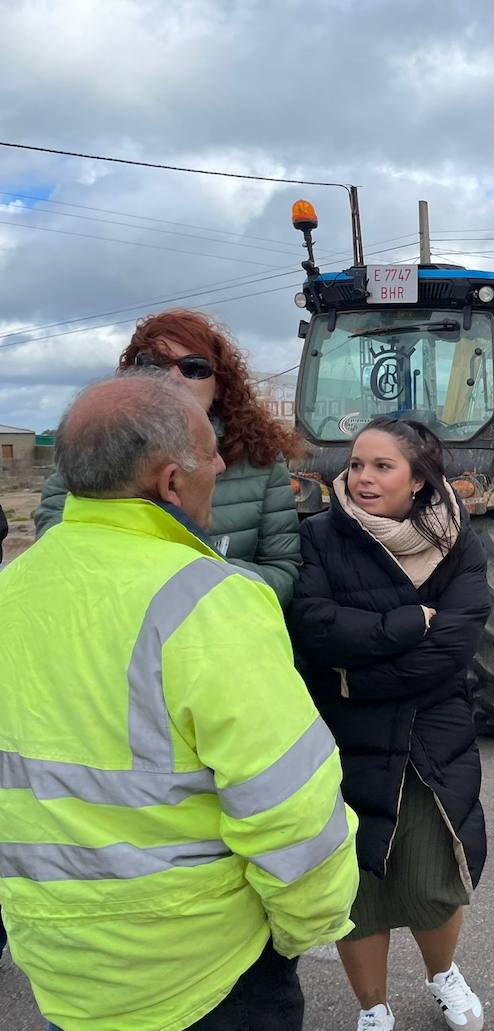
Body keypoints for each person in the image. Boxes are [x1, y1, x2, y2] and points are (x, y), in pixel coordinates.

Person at [0, 373, 358, 1031]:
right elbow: (291, 809)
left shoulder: (10, 591)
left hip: (63, 975)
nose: (223, 463)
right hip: (205, 977)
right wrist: (308, 925)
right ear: (169, 482)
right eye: (209, 452)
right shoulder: (211, 601)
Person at [288, 417, 491, 1031]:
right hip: (344, 739)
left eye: (382, 466)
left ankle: (442, 976)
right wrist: (405, 626)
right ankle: (373, 1009)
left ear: (419, 480)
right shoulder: (322, 536)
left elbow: (451, 650)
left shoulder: (460, 544)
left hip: (431, 737)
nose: (363, 478)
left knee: (434, 878)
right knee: (359, 890)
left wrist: (356, 678)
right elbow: (316, 628)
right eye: (356, 465)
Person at [35, 308, 302, 605]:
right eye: (153, 364)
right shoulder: (91, 447)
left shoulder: (260, 458)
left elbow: (283, 576)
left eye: (194, 367)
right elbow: (56, 549)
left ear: (220, 385)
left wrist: (195, 573)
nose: (173, 377)